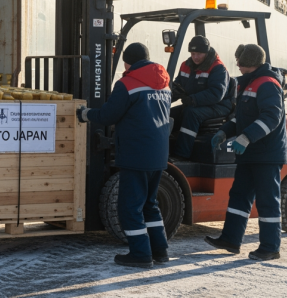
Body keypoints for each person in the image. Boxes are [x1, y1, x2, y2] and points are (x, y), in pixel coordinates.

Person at [77, 43, 171, 268]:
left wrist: (86, 114)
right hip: (158, 153)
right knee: (150, 204)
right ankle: (160, 251)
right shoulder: (165, 84)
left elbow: (109, 115)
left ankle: (140, 254)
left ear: (128, 62)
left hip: (136, 153)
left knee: (129, 207)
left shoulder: (127, 84)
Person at [206, 44, 287, 261]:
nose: (237, 65)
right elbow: (240, 118)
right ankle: (231, 239)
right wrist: (224, 132)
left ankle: (270, 247)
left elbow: (271, 117)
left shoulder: (267, 84)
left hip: (266, 155)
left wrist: (245, 138)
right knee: (239, 195)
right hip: (250, 153)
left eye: (240, 62)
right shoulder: (249, 83)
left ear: (249, 63)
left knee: (267, 200)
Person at [170, 36, 233, 160]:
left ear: (206, 52)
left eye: (199, 54)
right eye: (193, 53)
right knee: (168, 114)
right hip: (195, 103)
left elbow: (216, 93)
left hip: (219, 106)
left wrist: (193, 99)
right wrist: (165, 99)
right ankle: (165, 150)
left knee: (191, 113)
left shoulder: (217, 68)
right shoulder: (185, 65)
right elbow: (178, 86)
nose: (195, 57)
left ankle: (181, 154)